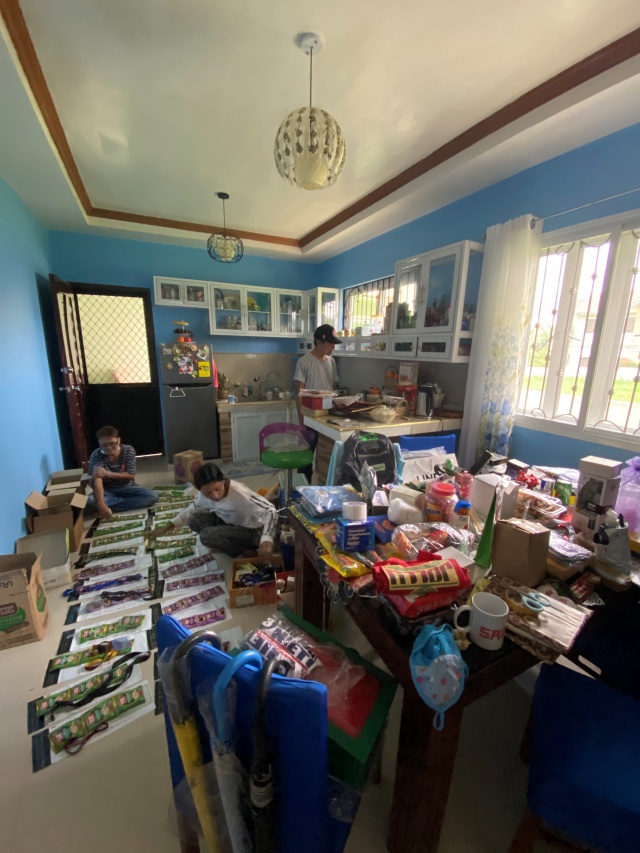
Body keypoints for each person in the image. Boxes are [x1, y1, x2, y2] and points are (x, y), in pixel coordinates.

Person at [152, 462, 277, 558]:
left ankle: (244, 553)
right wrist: (171, 524)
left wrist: (266, 538)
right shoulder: (203, 496)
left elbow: (270, 510)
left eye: (218, 489)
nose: (215, 496)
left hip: (252, 531)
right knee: (194, 520)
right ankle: (229, 544)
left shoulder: (240, 493)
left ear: (223, 480)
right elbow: (192, 509)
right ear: (200, 490)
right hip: (230, 524)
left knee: (206, 536)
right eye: (208, 493)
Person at [293, 324, 342, 482]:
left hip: (327, 415)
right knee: (305, 457)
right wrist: (302, 421)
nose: (333, 347)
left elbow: (333, 388)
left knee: (326, 455)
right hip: (309, 416)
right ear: (319, 342)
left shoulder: (332, 361)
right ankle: (302, 487)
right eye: (330, 344)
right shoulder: (304, 362)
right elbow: (299, 393)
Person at [88, 425, 158, 518]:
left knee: (152, 496)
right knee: (89, 501)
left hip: (127, 487)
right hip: (107, 491)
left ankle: (113, 507)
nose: (109, 447)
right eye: (104, 445)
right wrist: (101, 503)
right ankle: (122, 503)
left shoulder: (128, 450)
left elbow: (131, 475)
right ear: (99, 443)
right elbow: (97, 480)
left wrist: (107, 473)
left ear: (118, 440)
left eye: (112, 443)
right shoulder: (96, 454)